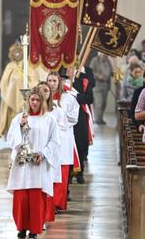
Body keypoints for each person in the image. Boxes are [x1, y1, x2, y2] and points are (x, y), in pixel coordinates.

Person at [6, 87, 59, 239]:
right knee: (21, 199)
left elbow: (55, 141)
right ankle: (21, 228)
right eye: (32, 99)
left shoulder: (49, 119)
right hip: (23, 165)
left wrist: (43, 154)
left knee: (36, 200)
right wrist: (20, 126)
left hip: (39, 165)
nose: (34, 102)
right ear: (28, 101)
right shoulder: (20, 118)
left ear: (42, 101)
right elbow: (11, 137)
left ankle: (34, 230)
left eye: (37, 100)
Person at [37, 82, 66, 224]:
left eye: (46, 91)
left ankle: (44, 217)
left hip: (50, 152)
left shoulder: (57, 111)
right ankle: (36, 218)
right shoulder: (29, 111)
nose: (44, 93)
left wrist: (47, 148)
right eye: (41, 90)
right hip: (35, 154)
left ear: (50, 93)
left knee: (47, 186)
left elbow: (62, 130)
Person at [47, 71, 79, 199]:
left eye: (55, 81)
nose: (52, 84)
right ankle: (49, 201)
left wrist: (59, 118)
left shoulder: (68, 98)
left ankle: (59, 201)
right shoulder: (43, 98)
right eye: (49, 81)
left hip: (63, 136)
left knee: (61, 168)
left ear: (59, 82)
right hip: (47, 138)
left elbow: (74, 118)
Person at [0, 42, 25, 135]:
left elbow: (33, 79)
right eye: (15, 52)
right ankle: (12, 134)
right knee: (12, 116)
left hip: (23, 96)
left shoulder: (27, 65)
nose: (17, 54)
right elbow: (4, 82)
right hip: (11, 96)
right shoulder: (10, 66)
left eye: (19, 52)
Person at [91, 52, 113, 124]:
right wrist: (98, 76)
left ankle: (100, 118)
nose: (106, 55)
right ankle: (97, 119)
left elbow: (112, 71)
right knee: (98, 103)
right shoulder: (95, 60)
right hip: (97, 85)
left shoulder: (108, 61)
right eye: (104, 54)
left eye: (107, 54)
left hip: (106, 86)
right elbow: (90, 71)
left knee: (103, 103)